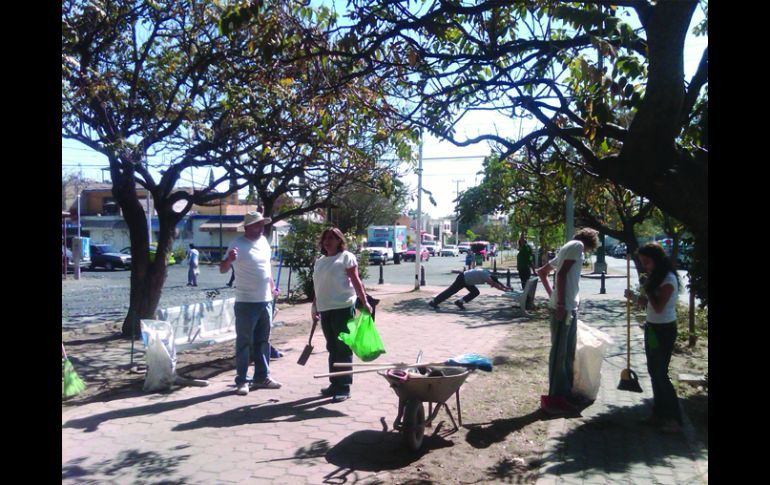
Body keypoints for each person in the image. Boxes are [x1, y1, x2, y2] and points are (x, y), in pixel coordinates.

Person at [536, 228, 600, 415]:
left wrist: (553, 297)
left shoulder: (568, 247)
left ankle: (565, 394)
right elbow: (561, 274)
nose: (586, 254)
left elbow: (542, 272)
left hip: (567, 307)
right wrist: (560, 303)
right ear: (590, 242)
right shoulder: (577, 246)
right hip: (564, 308)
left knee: (567, 353)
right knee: (560, 354)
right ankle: (556, 399)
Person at [219, 211, 281, 395]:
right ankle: (242, 380)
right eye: (257, 225)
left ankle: (262, 377)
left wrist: (272, 286)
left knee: (263, 340)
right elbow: (222, 269)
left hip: (265, 300)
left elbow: (267, 269)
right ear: (247, 227)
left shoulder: (264, 242)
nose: (261, 228)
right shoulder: (236, 244)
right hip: (246, 302)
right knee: (244, 342)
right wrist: (229, 260)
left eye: (262, 224)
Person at [624, 242, 683, 433]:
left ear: (657, 261)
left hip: (664, 330)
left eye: (647, 262)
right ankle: (658, 414)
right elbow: (647, 304)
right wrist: (633, 297)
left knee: (661, 374)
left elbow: (658, 306)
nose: (645, 266)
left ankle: (674, 419)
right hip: (652, 328)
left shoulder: (668, 279)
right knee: (653, 371)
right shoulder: (656, 277)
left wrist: (648, 287)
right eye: (642, 263)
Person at [311, 228, 372, 403]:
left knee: (343, 348)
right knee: (331, 347)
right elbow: (318, 285)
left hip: (343, 307)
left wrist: (365, 301)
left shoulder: (346, 257)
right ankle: (334, 383)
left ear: (339, 240)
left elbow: (355, 280)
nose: (328, 241)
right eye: (325, 238)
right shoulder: (320, 261)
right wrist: (314, 306)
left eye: (332, 238)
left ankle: (344, 386)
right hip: (325, 309)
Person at [428, 268, 511, 310]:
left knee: (475, 292)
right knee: (451, 291)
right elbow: (494, 284)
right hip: (463, 278)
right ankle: (434, 302)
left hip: (468, 281)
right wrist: (504, 290)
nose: (490, 285)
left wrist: (505, 287)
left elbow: (497, 282)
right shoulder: (486, 276)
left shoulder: (488, 274)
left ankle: (459, 302)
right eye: (491, 283)